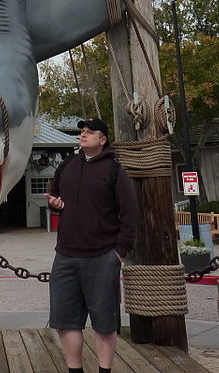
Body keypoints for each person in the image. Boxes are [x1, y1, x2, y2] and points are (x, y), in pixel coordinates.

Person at [46, 118, 138, 373]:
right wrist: (54, 203)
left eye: (90, 132)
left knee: (104, 322)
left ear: (103, 139)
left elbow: (130, 215)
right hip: (65, 255)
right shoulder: (66, 166)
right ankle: (74, 369)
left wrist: (119, 253)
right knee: (66, 321)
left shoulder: (114, 170)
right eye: (82, 132)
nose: (83, 135)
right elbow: (55, 196)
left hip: (102, 256)